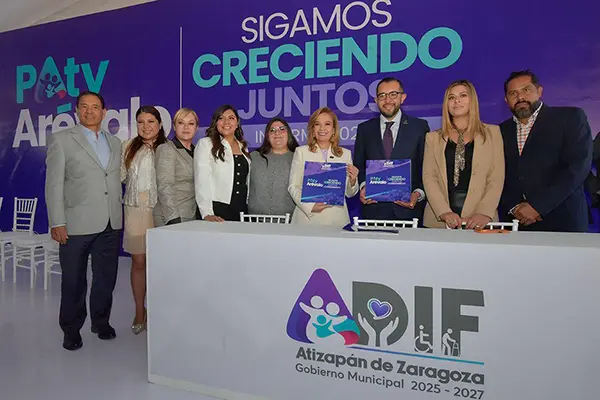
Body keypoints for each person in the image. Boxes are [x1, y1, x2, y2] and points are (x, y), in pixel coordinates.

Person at [45, 91, 122, 351]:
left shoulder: (115, 142)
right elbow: (53, 184)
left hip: (110, 222)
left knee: (106, 279)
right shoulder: (61, 139)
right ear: (77, 110)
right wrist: (57, 222)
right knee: (73, 281)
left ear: (104, 111)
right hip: (75, 224)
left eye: (95, 107)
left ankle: (101, 322)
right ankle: (71, 329)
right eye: (84, 106)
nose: (90, 111)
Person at [499, 70, 593, 232]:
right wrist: (514, 207)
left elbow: (577, 167)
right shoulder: (500, 130)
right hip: (517, 222)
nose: (520, 97)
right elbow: (497, 174)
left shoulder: (569, 118)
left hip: (564, 220)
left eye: (526, 90)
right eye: (513, 93)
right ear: (506, 100)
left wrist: (537, 206)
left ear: (539, 91)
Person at [422, 80, 505, 229]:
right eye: (451, 97)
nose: (457, 101)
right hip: (439, 221)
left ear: (473, 100)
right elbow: (429, 177)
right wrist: (444, 212)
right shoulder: (432, 138)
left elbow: (496, 177)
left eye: (463, 95)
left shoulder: (493, 133)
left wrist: (484, 212)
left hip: (481, 221)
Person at [353, 77, 430, 224]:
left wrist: (418, 194)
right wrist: (363, 186)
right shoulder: (364, 129)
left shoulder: (419, 127)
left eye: (393, 94)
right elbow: (359, 165)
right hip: (373, 212)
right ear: (376, 101)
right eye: (382, 96)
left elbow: (427, 168)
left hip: (408, 213)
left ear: (403, 97)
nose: (387, 100)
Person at [121, 106, 167, 334]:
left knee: (161, 264)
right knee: (138, 261)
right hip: (135, 209)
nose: (146, 126)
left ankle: (162, 311)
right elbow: (119, 176)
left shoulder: (168, 148)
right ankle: (140, 310)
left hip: (161, 209)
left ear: (160, 124)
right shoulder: (128, 146)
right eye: (141, 122)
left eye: (151, 121)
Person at [288, 107, 359, 226]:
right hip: (307, 220)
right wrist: (310, 207)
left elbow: (349, 193)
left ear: (333, 130)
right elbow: (293, 186)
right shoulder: (301, 152)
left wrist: (353, 181)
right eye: (317, 124)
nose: (322, 128)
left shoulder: (345, 154)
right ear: (312, 129)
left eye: (327, 124)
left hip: (336, 221)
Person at [194, 105, 251, 222]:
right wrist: (206, 213)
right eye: (221, 118)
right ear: (216, 122)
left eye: (231, 118)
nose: (226, 122)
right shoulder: (205, 144)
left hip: (241, 210)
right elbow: (201, 180)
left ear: (237, 123)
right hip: (216, 209)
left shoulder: (243, 147)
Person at [154, 107, 200, 227]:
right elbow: (165, 186)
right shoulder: (166, 149)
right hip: (172, 217)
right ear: (174, 126)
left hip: (191, 215)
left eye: (191, 123)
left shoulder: (198, 151)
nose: (186, 127)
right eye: (181, 123)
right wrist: (173, 218)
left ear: (196, 128)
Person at [248, 117, 299, 217]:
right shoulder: (254, 157)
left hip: (290, 221)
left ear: (289, 134)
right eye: (272, 130)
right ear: (267, 136)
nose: (277, 133)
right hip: (255, 221)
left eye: (282, 129)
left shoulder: (298, 158)